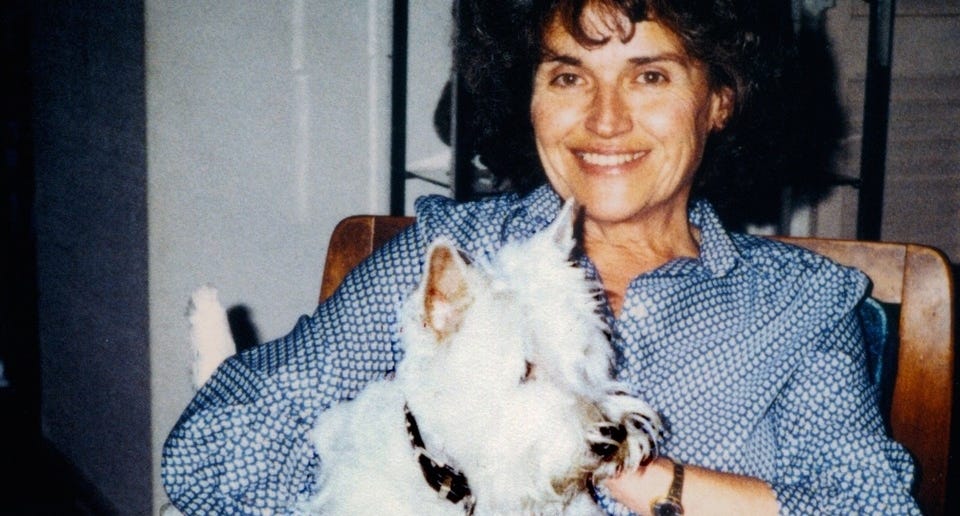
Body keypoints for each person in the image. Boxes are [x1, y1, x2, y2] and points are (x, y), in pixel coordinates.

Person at [162, 1, 919, 514]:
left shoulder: (800, 304)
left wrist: (645, 479)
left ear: (719, 99)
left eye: (650, 75)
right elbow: (214, 445)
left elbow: (868, 505)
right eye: (568, 76)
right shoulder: (450, 260)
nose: (605, 120)